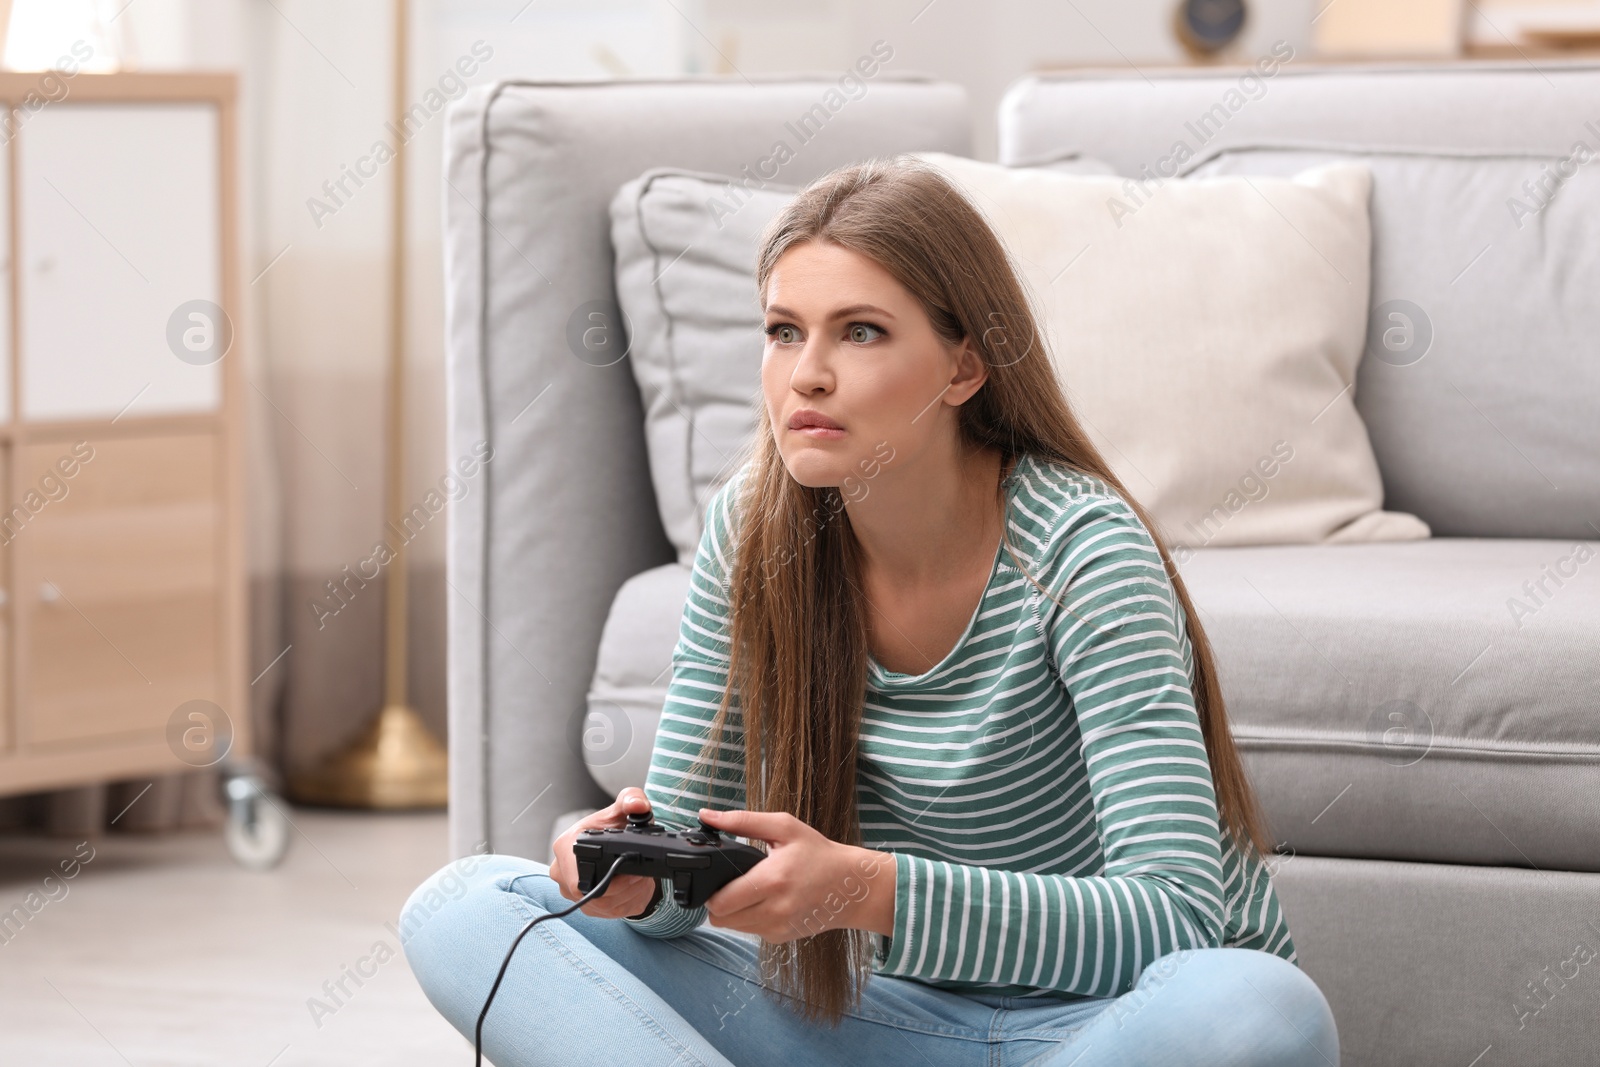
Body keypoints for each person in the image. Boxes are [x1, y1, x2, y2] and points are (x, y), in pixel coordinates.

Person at [401, 156, 1339, 1066]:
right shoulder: (753, 533)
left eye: (860, 332)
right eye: (782, 331)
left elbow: (1178, 916)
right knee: (467, 909)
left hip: (1109, 1027)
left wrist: (865, 889)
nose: (806, 374)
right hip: (888, 1023)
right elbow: (686, 881)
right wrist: (636, 879)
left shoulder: (1082, 551)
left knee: (1260, 1009)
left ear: (966, 366)